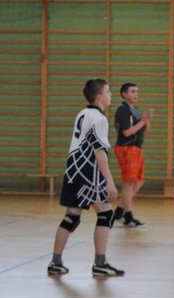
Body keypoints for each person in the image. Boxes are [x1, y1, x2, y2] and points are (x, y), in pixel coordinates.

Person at [47, 79, 124, 277]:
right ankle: (100, 264)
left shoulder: (82, 114)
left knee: (71, 217)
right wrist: (109, 181)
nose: (110, 95)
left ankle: (55, 262)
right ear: (99, 97)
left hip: (72, 171)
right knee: (106, 214)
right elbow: (99, 151)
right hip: (87, 172)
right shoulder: (99, 119)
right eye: (108, 92)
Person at [112, 82, 153, 227]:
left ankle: (119, 211)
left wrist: (146, 120)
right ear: (124, 94)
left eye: (137, 91)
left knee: (139, 181)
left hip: (136, 149)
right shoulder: (123, 110)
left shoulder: (134, 109)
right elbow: (127, 132)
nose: (136, 94)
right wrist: (143, 121)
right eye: (133, 91)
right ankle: (128, 216)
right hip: (126, 148)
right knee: (129, 182)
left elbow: (143, 129)